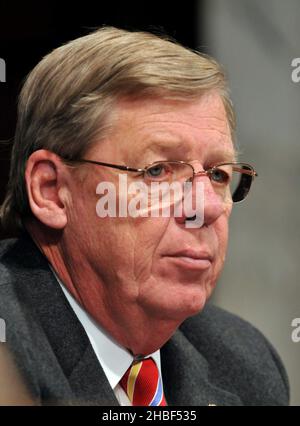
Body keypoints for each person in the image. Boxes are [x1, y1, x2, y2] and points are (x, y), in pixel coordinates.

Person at [0, 26, 289, 406]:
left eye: (219, 174)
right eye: (157, 171)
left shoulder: (244, 363)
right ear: (52, 191)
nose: (206, 207)